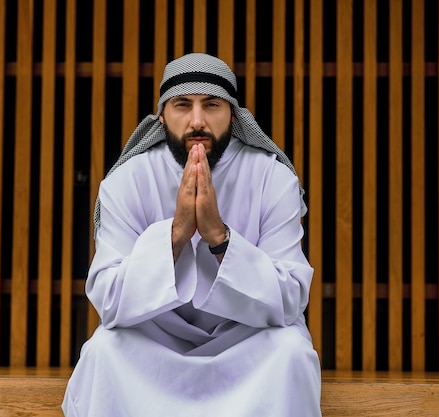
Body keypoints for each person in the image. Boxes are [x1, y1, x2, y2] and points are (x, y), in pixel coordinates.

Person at [62, 53, 322, 417]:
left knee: (291, 352)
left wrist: (219, 236)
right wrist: (176, 233)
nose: (197, 120)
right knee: (104, 350)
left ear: (232, 115)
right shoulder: (127, 180)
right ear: (163, 115)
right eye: (182, 105)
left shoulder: (273, 179)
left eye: (211, 105)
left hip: (246, 343)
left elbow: (292, 297)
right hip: (156, 343)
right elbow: (108, 300)